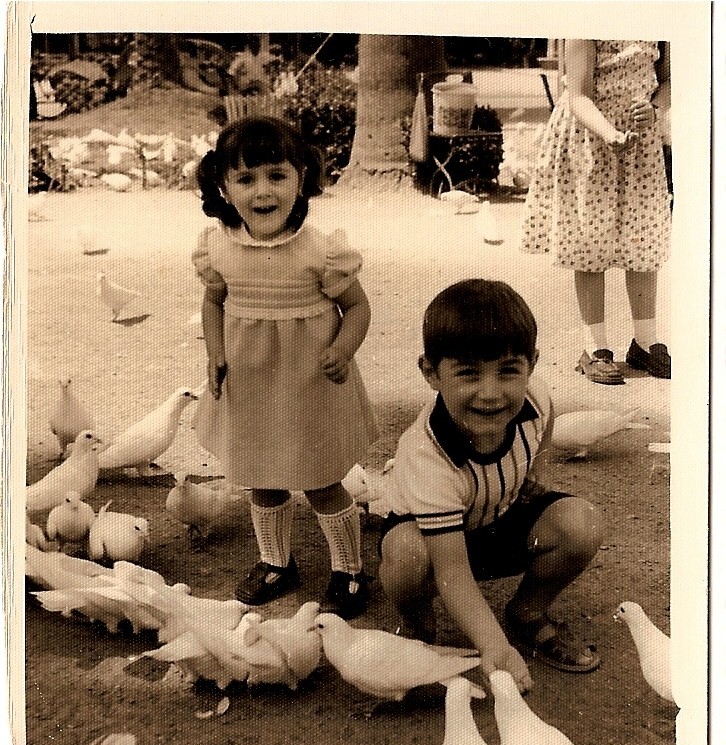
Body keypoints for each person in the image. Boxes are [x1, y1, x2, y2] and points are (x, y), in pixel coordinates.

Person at [193, 116, 378, 618]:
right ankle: (277, 562)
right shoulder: (216, 246)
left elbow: (357, 307)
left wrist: (344, 348)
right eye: (246, 179)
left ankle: (349, 570)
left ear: (302, 177)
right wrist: (215, 352)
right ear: (223, 186)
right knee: (262, 475)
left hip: (310, 384)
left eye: (277, 175)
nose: (263, 191)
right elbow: (213, 302)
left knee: (320, 480)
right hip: (250, 383)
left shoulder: (321, 250)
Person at [378, 280, 603, 693]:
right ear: (430, 373)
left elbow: (548, 418)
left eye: (508, 371)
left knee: (581, 523)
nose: (491, 393)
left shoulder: (535, 397)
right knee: (406, 554)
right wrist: (493, 648)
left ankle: (526, 613)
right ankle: (420, 626)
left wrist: (539, 468)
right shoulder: (428, 455)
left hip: (499, 519)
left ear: (531, 365)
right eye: (468, 373)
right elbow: (452, 570)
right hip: (435, 544)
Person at [521, 40, 671, 384]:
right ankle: (595, 346)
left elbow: (668, 80)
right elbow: (578, 96)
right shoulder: (589, 22)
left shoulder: (660, 21)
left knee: (643, 238)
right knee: (590, 241)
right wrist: (609, 134)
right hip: (591, 135)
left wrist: (655, 108)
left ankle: (645, 341)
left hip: (640, 139)